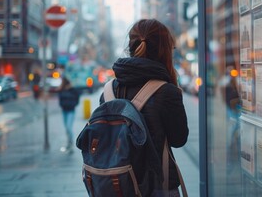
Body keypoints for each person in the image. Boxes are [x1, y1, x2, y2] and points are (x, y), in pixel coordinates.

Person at [101, 19, 189, 196]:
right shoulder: (167, 91)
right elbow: (179, 139)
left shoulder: (108, 90)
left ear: (131, 47)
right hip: (157, 186)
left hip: (117, 185)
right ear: (165, 50)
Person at [57, 77, 80, 153]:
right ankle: (68, 142)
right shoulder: (62, 90)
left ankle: (70, 143)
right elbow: (60, 98)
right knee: (67, 128)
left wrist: (74, 104)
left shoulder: (73, 90)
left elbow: (77, 98)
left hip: (71, 110)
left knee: (68, 127)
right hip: (64, 111)